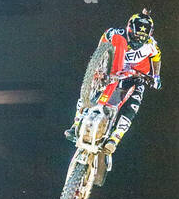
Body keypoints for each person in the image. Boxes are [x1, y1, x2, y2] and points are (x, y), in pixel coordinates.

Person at [65, 9, 161, 156]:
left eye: (143, 37)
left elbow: (156, 58)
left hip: (136, 76)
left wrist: (156, 77)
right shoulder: (115, 33)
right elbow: (103, 41)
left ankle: (115, 138)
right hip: (113, 71)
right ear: (129, 29)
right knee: (90, 91)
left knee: (133, 105)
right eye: (136, 36)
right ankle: (76, 123)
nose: (138, 41)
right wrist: (99, 59)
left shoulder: (151, 44)